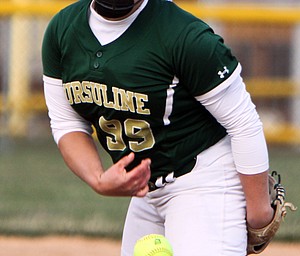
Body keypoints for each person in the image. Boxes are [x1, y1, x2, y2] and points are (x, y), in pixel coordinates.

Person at [42, 0, 274, 255]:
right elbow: (67, 122)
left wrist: (259, 212)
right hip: (146, 192)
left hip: (204, 180)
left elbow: (243, 122)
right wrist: (98, 179)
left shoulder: (182, 34)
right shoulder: (62, 31)